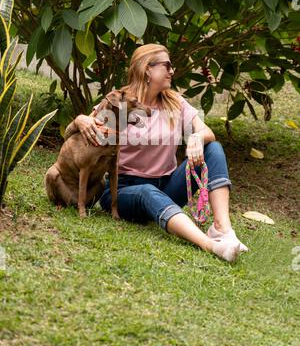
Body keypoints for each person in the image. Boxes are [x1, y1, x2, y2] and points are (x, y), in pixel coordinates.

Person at [72, 44, 248, 262]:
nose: (172, 71)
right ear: (147, 69)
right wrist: (80, 120)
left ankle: (222, 230)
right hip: (123, 189)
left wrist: (196, 137)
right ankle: (210, 245)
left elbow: (207, 132)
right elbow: (87, 127)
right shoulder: (121, 101)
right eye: (167, 65)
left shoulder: (174, 102)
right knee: (146, 191)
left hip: (167, 185)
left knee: (214, 148)